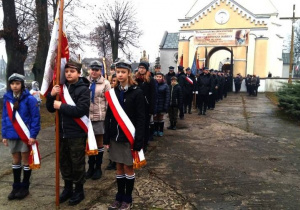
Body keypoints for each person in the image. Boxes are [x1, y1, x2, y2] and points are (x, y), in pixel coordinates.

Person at [46, 60, 90, 205]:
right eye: (66, 71)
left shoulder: (83, 89)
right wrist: (52, 95)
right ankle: (68, 188)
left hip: (76, 132)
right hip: (62, 131)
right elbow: (51, 108)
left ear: (78, 73)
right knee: (64, 161)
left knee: (76, 162)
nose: (69, 74)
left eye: (72, 71)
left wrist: (61, 105)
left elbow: (80, 110)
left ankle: (79, 190)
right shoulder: (61, 88)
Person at [104, 59, 145, 209]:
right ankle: (119, 196)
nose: (120, 74)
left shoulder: (137, 92)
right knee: (118, 167)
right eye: (118, 71)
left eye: (123, 72)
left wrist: (139, 139)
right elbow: (109, 116)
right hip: (115, 136)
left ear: (129, 74)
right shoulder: (113, 93)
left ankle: (127, 198)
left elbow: (141, 118)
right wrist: (107, 136)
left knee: (128, 168)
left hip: (129, 137)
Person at [2, 73, 40, 200]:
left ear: (22, 84)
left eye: (17, 83)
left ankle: (25, 186)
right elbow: (4, 118)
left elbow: (35, 118)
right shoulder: (7, 99)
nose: (14, 86)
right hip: (12, 134)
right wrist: (4, 135)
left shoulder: (30, 99)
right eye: (12, 84)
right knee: (15, 160)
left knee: (25, 160)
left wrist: (33, 135)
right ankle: (16, 186)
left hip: (25, 135)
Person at [86, 61, 111, 180]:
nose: (94, 72)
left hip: (100, 117)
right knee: (90, 143)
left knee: (99, 143)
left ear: (100, 71)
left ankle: (98, 167)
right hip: (87, 117)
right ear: (89, 70)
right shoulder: (85, 82)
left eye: (96, 70)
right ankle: (90, 167)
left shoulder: (105, 83)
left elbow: (108, 102)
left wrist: (107, 118)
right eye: (92, 69)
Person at [135, 61, 156, 152]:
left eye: (143, 68)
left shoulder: (150, 80)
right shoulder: (135, 79)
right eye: (140, 68)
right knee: (137, 125)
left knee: (145, 126)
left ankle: (145, 143)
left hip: (146, 107)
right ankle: (137, 141)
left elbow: (153, 95)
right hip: (136, 106)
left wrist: (152, 108)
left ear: (146, 69)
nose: (141, 69)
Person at [154, 72, 170, 137]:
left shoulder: (165, 86)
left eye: (160, 77)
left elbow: (167, 96)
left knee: (160, 118)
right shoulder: (153, 84)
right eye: (157, 77)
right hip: (155, 104)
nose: (158, 78)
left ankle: (160, 130)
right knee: (155, 118)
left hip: (162, 104)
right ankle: (155, 130)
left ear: (162, 78)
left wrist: (166, 106)